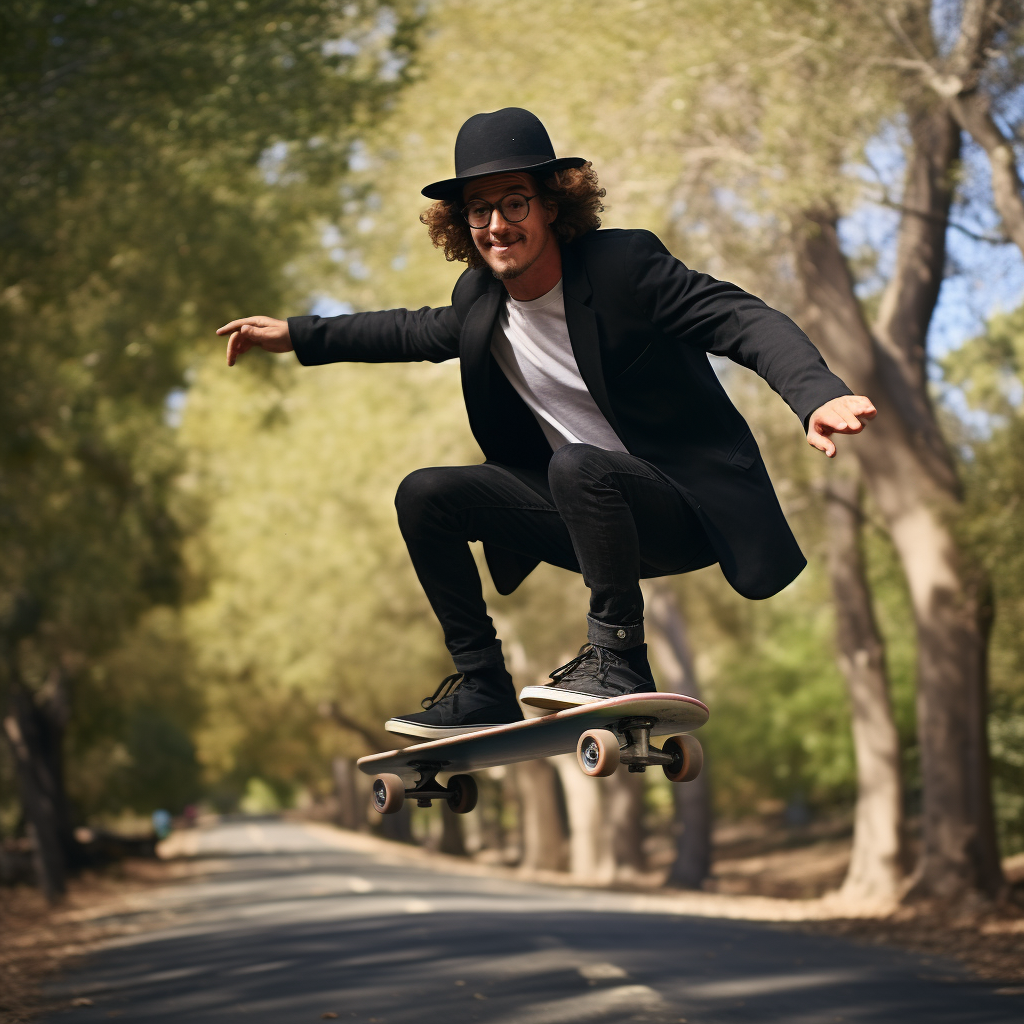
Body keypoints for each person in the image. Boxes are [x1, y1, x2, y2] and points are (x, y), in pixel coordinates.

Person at [217, 107, 875, 741]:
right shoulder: (479, 301)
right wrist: (299, 335)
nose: (497, 224)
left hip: (680, 511)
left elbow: (741, 319)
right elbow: (410, 328)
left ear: (552, 206)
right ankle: (483, 689)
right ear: (460, 222)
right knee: (426, 495)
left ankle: (618, 656)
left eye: (514, 203)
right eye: (479, 209)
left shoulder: (625, 268)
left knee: (578, 462)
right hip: (585, 519)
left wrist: (814, 393)